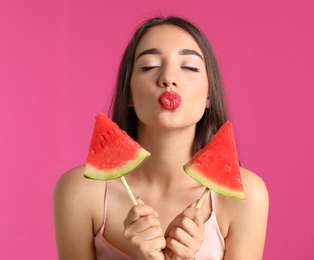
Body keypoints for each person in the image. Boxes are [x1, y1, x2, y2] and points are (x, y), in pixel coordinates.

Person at [54, 16, 269, 260]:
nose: (168, 78)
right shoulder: (80, 191)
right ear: (130, 94)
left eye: (189, 67)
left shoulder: (245, 195)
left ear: (209, 95)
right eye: (149, 66)